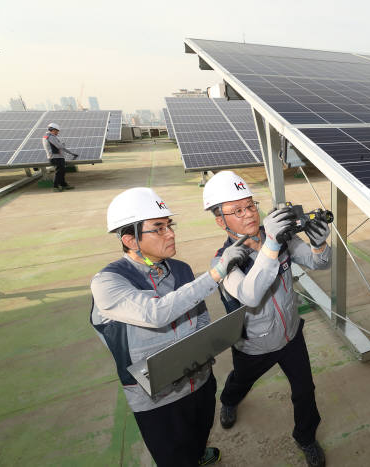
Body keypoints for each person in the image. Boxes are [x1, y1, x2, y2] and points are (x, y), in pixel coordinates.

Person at [90, 187, 248, 467]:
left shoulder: (181, 269)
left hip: (199, 380)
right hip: (157, 400)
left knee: (200, 435)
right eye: (158, 229)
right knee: (174, 457)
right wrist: (215, 272)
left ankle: (198, 453)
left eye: (169, 226)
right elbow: (155, 313)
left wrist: (206, 346)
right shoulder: (108, 283)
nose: (171, 233)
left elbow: (199, 316)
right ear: (130, 239)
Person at [204, 171, 331, 467]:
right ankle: (229, 401)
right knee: (240, 381)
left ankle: (306, 437)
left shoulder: (279, 239)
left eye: (250, 205)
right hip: (254, 345)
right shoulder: (222, 261)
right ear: (220, 220)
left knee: (305, 391)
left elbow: (318, 262)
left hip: (290, 335)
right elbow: (250, 295)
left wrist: (320, 244)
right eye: (236, 210)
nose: (248, 214)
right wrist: (272, 244)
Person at [42, 122, 79, 192]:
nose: (57, 132)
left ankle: (63, 184)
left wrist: (70, 152)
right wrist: (70, 151)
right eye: (57, 131)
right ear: (52, 130)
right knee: (59, 172)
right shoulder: (50, 137)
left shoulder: (47, 136)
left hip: (57, 157)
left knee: (62, 171)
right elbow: (60, 146)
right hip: (56, 157)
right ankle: (55, 187)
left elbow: (59, 147)